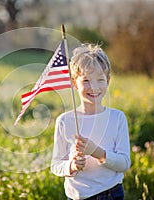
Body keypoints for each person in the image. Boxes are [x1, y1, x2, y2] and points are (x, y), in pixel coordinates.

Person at [51, 43, 131, 200]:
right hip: (76, 196)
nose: (93, 87)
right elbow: (55, 165)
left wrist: (96, 152)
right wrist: (71, 166)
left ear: (108, 81)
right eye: (86, 80)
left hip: (109, 193)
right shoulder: (64, 121)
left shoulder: (117, 118)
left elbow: (124, 163)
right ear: (74, 83)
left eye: (100, 80)